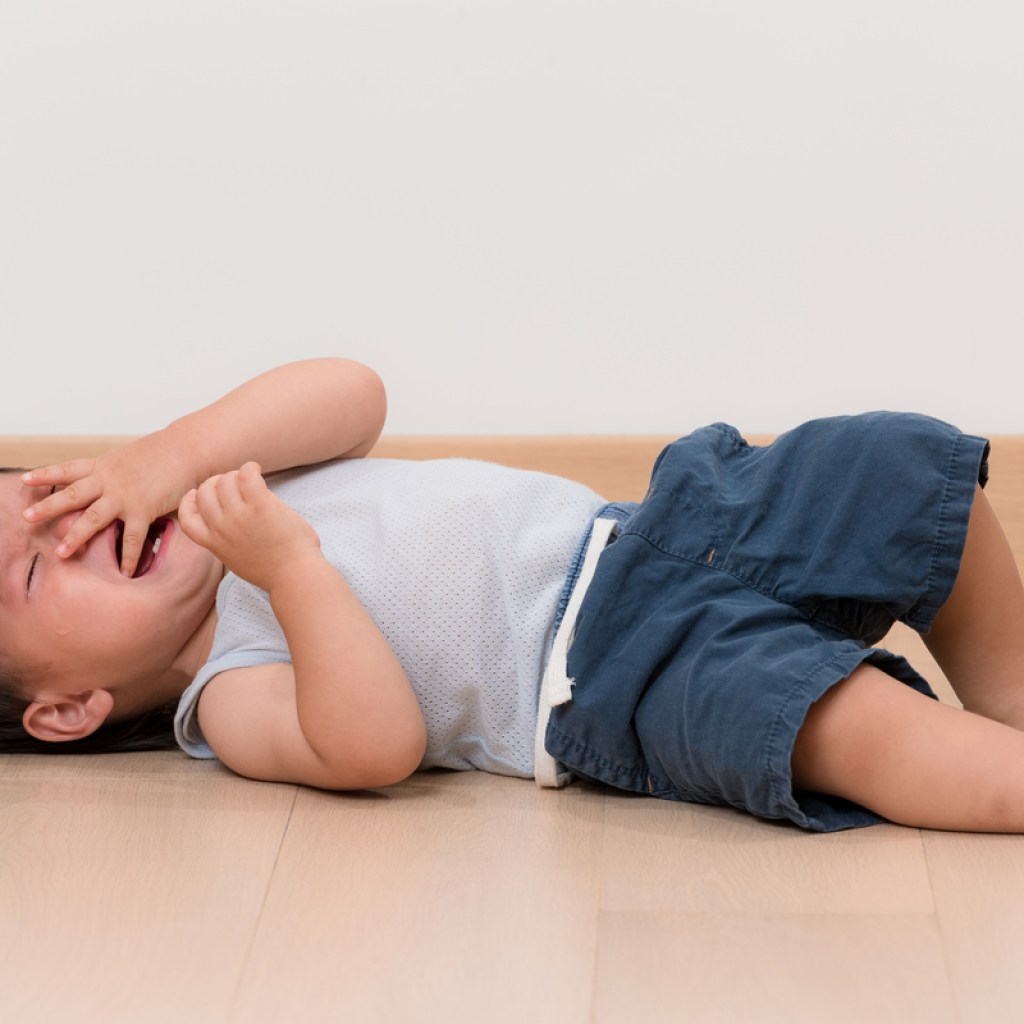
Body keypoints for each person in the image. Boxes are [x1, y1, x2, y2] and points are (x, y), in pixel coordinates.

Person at [1, 358, 1022, 834]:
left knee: (895, 466)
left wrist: (171, 453)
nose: (77, 528)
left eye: (54, 500)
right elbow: (371, 745)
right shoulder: (224, 693)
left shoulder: (235, 489)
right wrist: (291, 571)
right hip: (617, 673)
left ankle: (1011, 695)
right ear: (68, 708)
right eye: (38, 569)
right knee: (847, 724)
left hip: (660, 522)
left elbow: (353, 390)